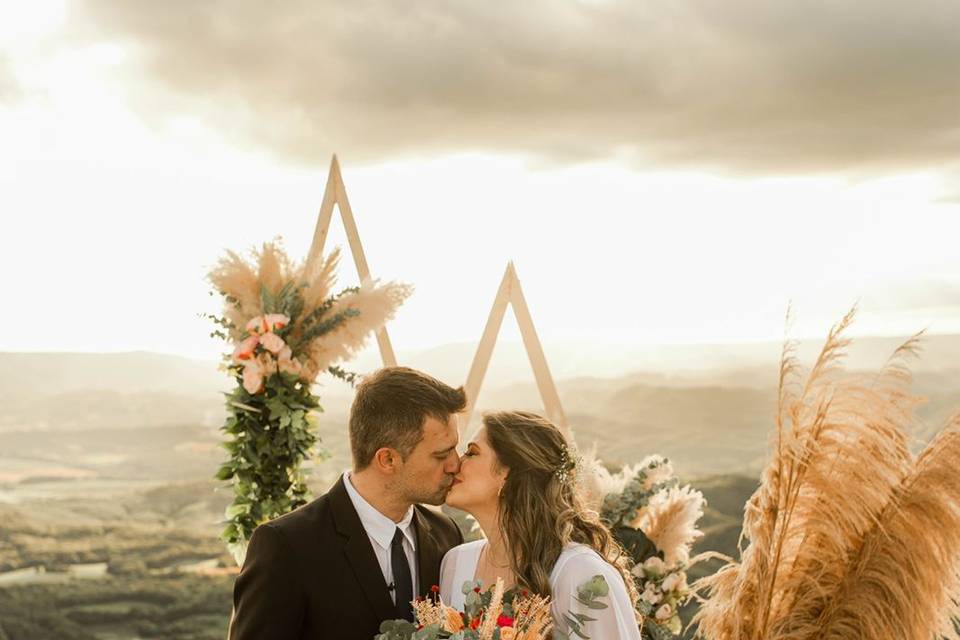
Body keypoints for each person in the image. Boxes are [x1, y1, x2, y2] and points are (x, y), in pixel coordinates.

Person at [229, 366, 466, 640]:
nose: (455, 464)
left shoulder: (446, 534)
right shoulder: (287, 546)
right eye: (441, 455)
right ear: (387, 460)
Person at [441, 410, 641, 639]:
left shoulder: (581, 574)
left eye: (471, 452)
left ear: (509, 473)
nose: (456, 464)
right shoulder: (455, 564)